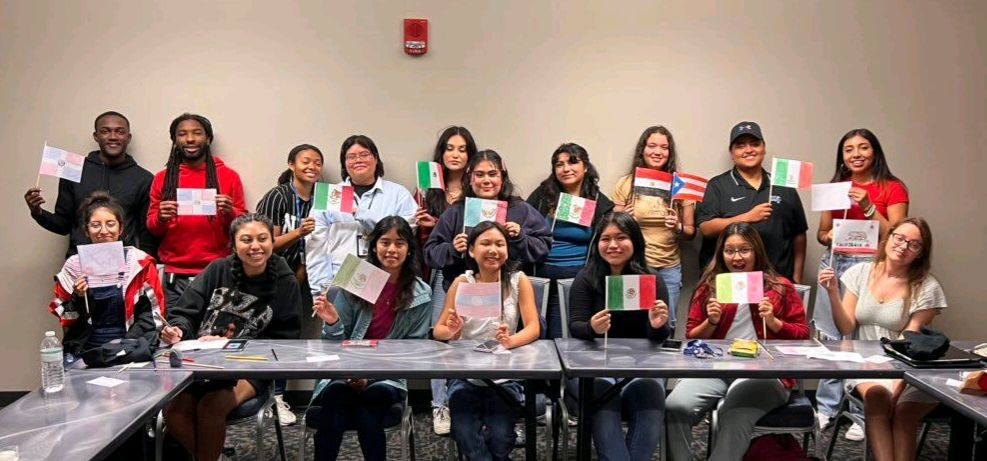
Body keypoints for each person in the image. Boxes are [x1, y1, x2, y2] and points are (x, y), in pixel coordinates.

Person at [160, 214, 301, 461]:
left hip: (252, 366)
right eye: (246, 240)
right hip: (203, 364)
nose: (255, 246)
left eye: (262, 239)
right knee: (174, 413)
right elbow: (184, 312)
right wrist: (178, 329)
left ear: (272, 241)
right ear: (234, 245)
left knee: (210, 407)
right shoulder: (218, 269)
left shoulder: (285, 281)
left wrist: (229, 345)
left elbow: (286, 340)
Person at [666, 222, 809, 461]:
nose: (737, 257)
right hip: (716, 368)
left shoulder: (779, 287)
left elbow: (804, 336)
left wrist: (774, 323)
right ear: (721, 253)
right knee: (675, 407)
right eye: (729, 250)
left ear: (757, 252)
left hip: (765, 373)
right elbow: (691, 337)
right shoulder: (710, 286)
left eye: (744, 250)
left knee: (733, 413)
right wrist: (711, 321)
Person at [818, 217, 945, 461]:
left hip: (910, 367)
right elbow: (846, 325)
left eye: (914, 244)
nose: (904, 246)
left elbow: (911, 340)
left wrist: (899, 385)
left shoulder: (927, 287)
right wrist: (833, 293)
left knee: (903, 411)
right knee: (878, 398)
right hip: (865, 362)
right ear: (889, 237)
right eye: (900, 238)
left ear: (921, 253)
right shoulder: (860, 272)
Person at [813, 129, 909, 436]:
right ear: (841, 157)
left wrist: (868, 206)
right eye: (848, 149)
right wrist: (829, 236)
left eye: (863, 148)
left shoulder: (892, 188)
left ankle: (861, 413)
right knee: (830, 337)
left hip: (869, 265)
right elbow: (821, 233)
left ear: (875, 152)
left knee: (859, 338)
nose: (856, 154)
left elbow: (898, 236)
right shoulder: (835, 188)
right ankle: (826, 407)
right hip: (835, 260)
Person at [310, 217, 432, 461]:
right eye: (384, 242)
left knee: (369, 408)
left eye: (400, 243)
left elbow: (413, 350)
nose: (392, 250)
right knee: (334, 402)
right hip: (345, 371)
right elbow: (333, 345)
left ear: (409, 249)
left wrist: (371, 376)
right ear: (374, 246)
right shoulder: (357, 276)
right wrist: (332, 322)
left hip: (387, 377)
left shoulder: (421, 292)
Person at [432, 221, 541, 461]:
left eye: (500, 244)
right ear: (471, 250)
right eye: (486, 243)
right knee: (464, 434)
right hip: (466, 376)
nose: (493, 250)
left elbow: (534, 327)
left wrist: (510, 340)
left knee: (502, 437)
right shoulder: (462, 283)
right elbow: (438, 331)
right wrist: (452, 330)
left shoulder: (518, 281)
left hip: (505, 376)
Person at [568, 212, 670, 460]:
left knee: (652, 393)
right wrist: (592, 328)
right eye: (605, 239)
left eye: (621, 237)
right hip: (594, 364)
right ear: (597, 243)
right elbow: (575, 327)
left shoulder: (652, 279)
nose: (612, 245)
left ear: (635, 241)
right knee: (602, 389)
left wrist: (657, 325)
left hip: (639, 367)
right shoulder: (586, 278)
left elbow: (660, 339)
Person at [48, 192, 164, 367]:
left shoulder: (140, 263)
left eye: (110, 224)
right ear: (86, 230)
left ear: (121, 228)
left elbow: (153, 315)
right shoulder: (73, 266)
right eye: (95, 225)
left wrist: (125, 345)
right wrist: (77, 297)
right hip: (86, 351)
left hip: (130, 348)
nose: (103, 231)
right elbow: (65, 318)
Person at [414, 126, 478, 435]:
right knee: (441, 334)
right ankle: (440, 404)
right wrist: (420, 222)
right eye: (449, 148)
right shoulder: (427, 189)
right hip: (441, 271)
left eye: (462, 149)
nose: (455, 154)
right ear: (441, 153)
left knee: (476, 332)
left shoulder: (478, 189)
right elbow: (422, 240)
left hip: (478, 272)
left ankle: (473, 398)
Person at [147, 113, 247, 309]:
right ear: (175, 140)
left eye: (197, 133)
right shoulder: (162, 178)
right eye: (182, 134)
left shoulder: (228, 176)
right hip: (174, 275)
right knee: (176, 332)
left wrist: (230, 211)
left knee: (217, 335)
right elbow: (152, 228)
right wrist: (160, 217)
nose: (190, 139)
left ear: (208, 138)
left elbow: (242, 226)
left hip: (218, 271)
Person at [256, 143, 325, 426]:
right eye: (306, 161)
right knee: (273, 336)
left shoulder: (323, 198)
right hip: (273, 277)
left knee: (292, 336)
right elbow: (265, 243)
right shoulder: (278, 196)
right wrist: (299, 232)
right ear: (291, 165)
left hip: (309, 276)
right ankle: (272, 396)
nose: (312, 166)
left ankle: (281, 395)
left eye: (318, 162)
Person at [25, 111, 156, 257]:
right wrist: (38, 212)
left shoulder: (143, 178)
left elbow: (147, 234)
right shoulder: (74, 171)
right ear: (96, 136)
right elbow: (63, 225)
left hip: (125, 267)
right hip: (80, 263)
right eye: (105, 131)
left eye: (120, 132)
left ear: (128, 137)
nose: (113, 137)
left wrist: (146, 266)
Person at [425, 149, 552, 292]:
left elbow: (544, 247)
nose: (486, 180)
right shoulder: (456, 211)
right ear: (470, 179)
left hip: (509, 293)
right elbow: (430, 254)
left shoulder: (521, 209)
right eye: (479, 175)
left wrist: (521, 238)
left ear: (502, 178)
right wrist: (452, 249)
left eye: (493, 174)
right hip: (464, 292)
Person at [306, 135, 418, 297]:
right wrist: (320, 289)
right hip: (339, 280)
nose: (358, 160)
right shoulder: (330, 195)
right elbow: (316, 245)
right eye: (351, 157)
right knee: (340, 322)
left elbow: (406, 235)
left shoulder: (398, 194)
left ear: (376, 159)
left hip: (387, 281)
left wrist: (360, 213)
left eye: (364, 155)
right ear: (344, 163)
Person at [696, 121, 808, 283]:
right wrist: (747, 217)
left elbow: (799, 234)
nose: (749, 150)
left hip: (777, 280)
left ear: (764, 148)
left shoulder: (783, 185)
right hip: (730, 281)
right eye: (741, 146)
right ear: (732, 153)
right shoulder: (718, 185)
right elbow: (706, 228)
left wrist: (797, 277)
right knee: (722, 310)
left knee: (771, 310)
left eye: (755, 144)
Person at [526, 142, 614, 338]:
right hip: (541, 276)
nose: (566, 169)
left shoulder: (599, 202)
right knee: (538, 334)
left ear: (585, 167)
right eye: (559, 164)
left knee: (565, 335)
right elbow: (525, 225)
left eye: (573, 162)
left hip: (576, 279)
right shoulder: (542, 196)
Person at [612, 126, 696, 326]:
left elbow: (691, 232)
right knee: (632, 322)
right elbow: (612, 229)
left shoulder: (681, 185)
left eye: (664, 147)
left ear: (670, 152)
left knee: (667, 322)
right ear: (643, 149)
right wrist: (623, 218)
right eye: (652, 146)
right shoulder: (626, 183)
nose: (658, 152)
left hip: (669, 266)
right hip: (634, 264)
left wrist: (678, 226)